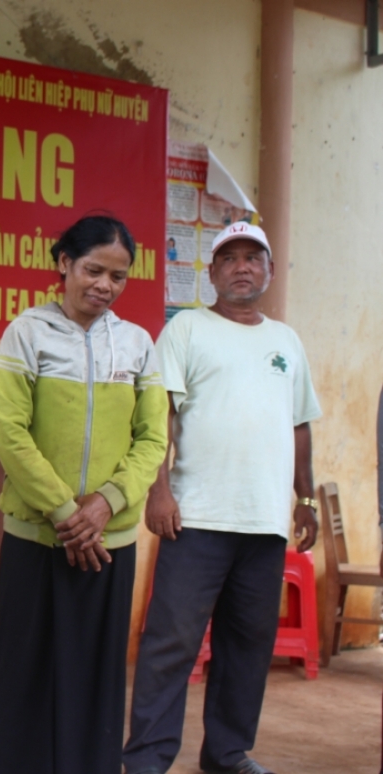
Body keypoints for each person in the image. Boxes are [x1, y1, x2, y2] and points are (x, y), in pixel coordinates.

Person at [123, 222, 321, 774]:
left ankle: (227, 754)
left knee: (248, 648)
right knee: (171, 645)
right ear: (210, 273)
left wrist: (304, 498)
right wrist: (158, 490)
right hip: (196, 518)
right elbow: (157, 413)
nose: (242, 266)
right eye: (229, 258)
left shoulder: (286, 341)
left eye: (252, 258)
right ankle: (146, 759)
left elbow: (300, 423)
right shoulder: (187, 330)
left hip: (264, 522)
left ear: (269, 271)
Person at [0, 215, 168, 774]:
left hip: (109, 544)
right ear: (64, 264)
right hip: (37, 539)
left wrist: (107, 502)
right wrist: (67, 514)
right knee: (26, 674)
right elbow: (10, 435)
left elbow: (153, 437)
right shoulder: (26, 334)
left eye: (118, 276)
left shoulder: (137, 344)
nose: (105, 286)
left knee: (96, 678)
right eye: (93, 270)